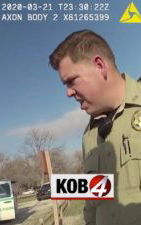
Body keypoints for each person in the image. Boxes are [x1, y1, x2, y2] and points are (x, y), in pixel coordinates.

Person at [49, 29, 141, 225]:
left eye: (71, 81)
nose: (68, 93)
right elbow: (91, 206)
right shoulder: (88, 137)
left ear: (99, 66)